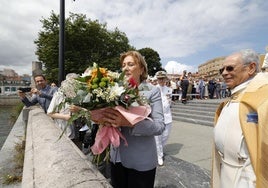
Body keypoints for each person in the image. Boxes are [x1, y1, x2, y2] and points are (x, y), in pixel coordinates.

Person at [90, 51, 165, 188]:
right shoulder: (113, 89)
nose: (125, 68)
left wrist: (129, 123)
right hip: (116, 157)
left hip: (141, 160)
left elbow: (160, 127)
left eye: (130, 64)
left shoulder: (152, 91)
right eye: (123, 65)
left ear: (141, 69)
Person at [212, 49, 268, 188]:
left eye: (230, 68)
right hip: (226, 170)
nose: (224, 73)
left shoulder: (263, 99)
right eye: (222, 70)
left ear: (251, 68)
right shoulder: (232, 98)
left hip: (247, 177)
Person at [47, 73, 89, 150]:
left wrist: (80, 110)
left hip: (79, 132)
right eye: (71, 83)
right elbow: (50, 113)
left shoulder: (83, 95)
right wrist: (65, 117)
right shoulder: (59, 95)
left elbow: (89, 112)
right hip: (64, 132)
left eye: (76, 83)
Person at [154, 71, 173, 166]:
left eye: (162, 78)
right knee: (158, 138)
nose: (161, 80)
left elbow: (169, 102)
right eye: (159, 78)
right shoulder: (153, 89)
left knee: (165, 136)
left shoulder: (169, 89)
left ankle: (158, 150)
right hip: (157, 117)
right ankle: (159, 155)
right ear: (157, 79)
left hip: (168, 116)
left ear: (165, 79)